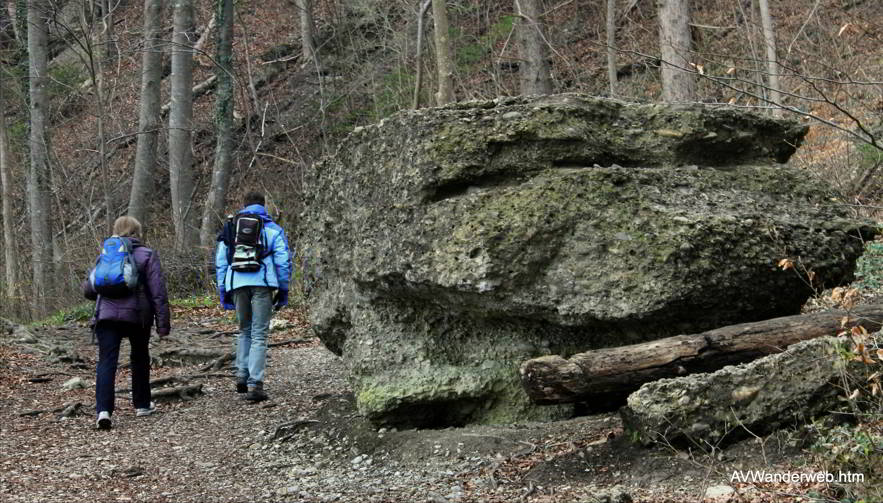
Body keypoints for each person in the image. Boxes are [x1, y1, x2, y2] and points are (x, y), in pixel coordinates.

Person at [83, 216, 171, 430]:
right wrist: (162, 325)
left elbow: (88, 289)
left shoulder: (105, 254)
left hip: (106, 317)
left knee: (106, 362)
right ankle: (142, 405)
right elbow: (158, 292)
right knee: (139, 357)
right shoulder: (147, 255)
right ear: (137, 232)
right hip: (137, 317)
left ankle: (103, 411)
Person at [216, 191, 291, 402]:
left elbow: (221, 261)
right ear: (264, 205)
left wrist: (223, 290)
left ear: (244, 204)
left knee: (244, 330)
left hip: (237, 283)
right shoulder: (273, 229)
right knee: (259, 333)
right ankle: (255, 383)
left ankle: (241, 374)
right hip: (263, 285)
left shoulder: (231, 227)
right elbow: (283, 262)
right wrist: (283, 290)